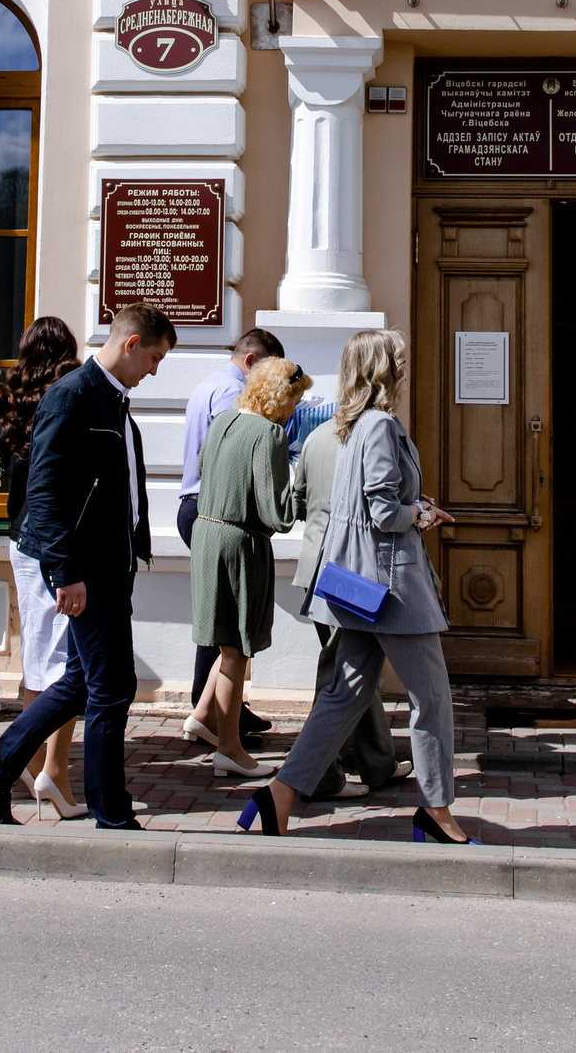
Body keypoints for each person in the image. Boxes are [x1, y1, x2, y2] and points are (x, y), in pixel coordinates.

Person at [247, 329, 471, 844]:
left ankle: (279, 795)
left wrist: (410, 505)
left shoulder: (349, 425)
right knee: (432, 698)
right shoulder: (381, 426)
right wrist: (422, 512)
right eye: (400, 361)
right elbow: (384, 512)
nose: (406, 370)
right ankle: (436, 812)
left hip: (362, 588)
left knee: (342, 697)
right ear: (383, 371)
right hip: (391, 591)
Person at [0, 303, 175, 830]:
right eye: (154, 355)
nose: (155, 369)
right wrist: (65, 570)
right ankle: (110, 811)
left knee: (78, 682)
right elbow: (45, 492)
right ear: (131, 342)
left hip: (110, 565)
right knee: (112, 686)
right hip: (87, 569)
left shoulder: (113, 400)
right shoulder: (72, 395)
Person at [0, 315, 87, 819]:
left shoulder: (17, 402)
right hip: (53, 541)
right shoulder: (66, 399)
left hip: (21, 537)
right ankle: (51, 769)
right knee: (63, 659)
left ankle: (34, 759)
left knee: (38, 656)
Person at [187, 357, 308, 779]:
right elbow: (278, 515)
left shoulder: (222, 421)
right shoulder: (270, 434)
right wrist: (306, 488)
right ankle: (229, 748)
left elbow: (204, 472)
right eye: (295, 397)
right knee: (237, 648)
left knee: (222, 641)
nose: (295, 407)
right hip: (240, 543)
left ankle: (202, 716)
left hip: (206, 533)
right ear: (281, 396)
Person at [178, 327, 282, 748]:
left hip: (199, 507)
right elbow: (231, 463)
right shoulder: (232, 396)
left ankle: (220, 711)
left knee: (220, 619)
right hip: (217, 510)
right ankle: (219, 720)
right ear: (253, 361)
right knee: (223, 624)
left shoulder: (210, 382)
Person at [289, 409, 400, 800]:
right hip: (348, 570)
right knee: (343, 673)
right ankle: (320, 774)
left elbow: (298, 498)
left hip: (315, 566)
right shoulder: (369, 438)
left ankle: (376, 761)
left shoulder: (316, 436)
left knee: (352, 669)